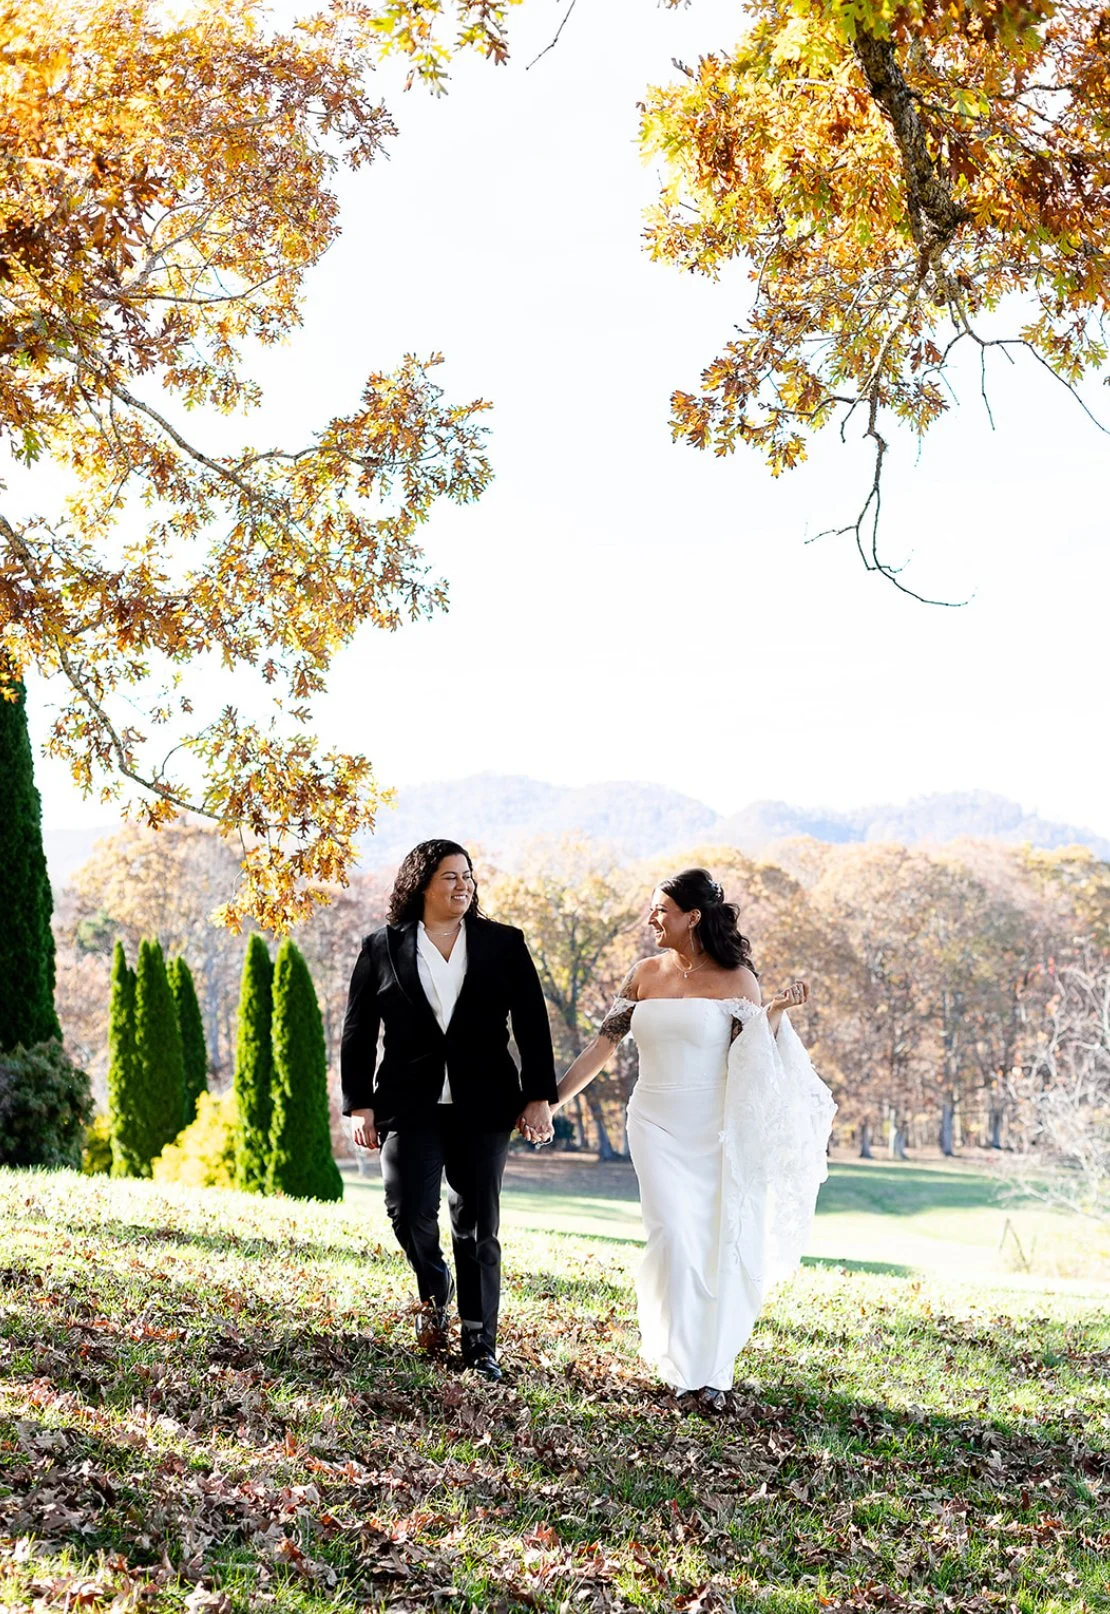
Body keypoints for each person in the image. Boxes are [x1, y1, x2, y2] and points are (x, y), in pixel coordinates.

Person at [556, 867, 835, 1411]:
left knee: (714, 1242)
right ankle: (680, 1364)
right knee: (673, 1235)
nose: (651, 918)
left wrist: (773, 1013)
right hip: (654, 1122)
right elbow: (601, 1047)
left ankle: (712, 1366)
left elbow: (753, 1056)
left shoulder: (738, 981)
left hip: (714, 1130)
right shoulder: (642, 975)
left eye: (661, 910)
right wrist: (548, 1100)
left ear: (693, 917)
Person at [341, 839, 556, 1382]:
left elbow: (532, 1024)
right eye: (450, 878)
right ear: (421, 884)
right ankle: (434, 1286)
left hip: (484, 1102)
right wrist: (358, 1103)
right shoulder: (382, 947)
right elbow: (358, 1031)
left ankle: (480, 1342)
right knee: (407, 1209)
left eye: (468, 876)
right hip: (408, 1103)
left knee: (478, 1223)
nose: (463, 886)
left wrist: (538, 1097)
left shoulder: (504, 944)